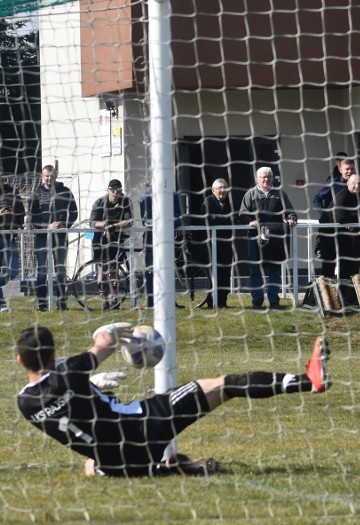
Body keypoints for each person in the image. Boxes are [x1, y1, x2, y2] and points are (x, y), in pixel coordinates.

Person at [15, 323, 330, 477]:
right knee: (221, 386)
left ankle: (171, 468)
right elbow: (104, 344)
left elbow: (64, 400)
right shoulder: (69, 370)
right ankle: (308, 381)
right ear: (53, 354)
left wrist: (89, 387)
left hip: (113, 463)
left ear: (19, 360)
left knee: (90, 463)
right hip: (144, 424)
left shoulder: (24, 403)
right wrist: (110, 330)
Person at [313, 157, 360, 279]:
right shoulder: (336, 186)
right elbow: (339, 215)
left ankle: (347, 295)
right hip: (330, 231)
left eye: (352, 169)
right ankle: (327, 295)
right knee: (329, 267)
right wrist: (324, 213)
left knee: (350, 266)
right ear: (340, 170)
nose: (357, 186)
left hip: (350, 235)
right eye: (347, 169)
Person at [239, 166, 297, 310]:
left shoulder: (280, 194)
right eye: (263, 177)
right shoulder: (250, 194)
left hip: (275, 238)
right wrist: (249, 221)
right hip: (255, 237)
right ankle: (257, 301)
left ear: (273, 178)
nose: (266, 179)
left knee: (275, 270)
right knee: (255, 269)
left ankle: (274, 301)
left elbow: (290, 211)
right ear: (257, 179)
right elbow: (242, 215)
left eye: (268, 177)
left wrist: (291, 218)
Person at [27, 165, 78, 311]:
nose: (49, 178)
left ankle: (62, 303)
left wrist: (64, 224)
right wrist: (46, 226)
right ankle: (42, 303)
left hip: (60, 237)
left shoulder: (65, 191)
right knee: (42, 270)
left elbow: (74, 212)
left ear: (55, 176)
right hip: (42, 237)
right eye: (46, 176)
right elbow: (31, 217)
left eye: (51, 176)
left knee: (60, 270)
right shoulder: (36, 193)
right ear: (42, 177)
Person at [89, 179, 133, 310]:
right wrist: (105, 225)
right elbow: (92, 222)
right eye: (112, 190)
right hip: (99, 239)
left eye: (118, 191)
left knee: (114, 268)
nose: (115, 193)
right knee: (102, 268)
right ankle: (104, 300)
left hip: (116, 239)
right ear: (108, 190)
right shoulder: (99, 202)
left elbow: (129, 221)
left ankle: (114, 300)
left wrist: (113, 226)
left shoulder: (126, 201)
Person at [199, 179, 236, 307]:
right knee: (213, 274)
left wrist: (221, 219)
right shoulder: (208, 201)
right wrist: (225, 219)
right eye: (219, 188)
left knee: (225, 273)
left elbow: (234, 218)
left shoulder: (230, 202)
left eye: (225, 188)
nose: (222, 191)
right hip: (211, 245)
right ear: (213, 190)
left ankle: (222, 302)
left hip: (226, 244)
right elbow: (208, 218)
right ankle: (211, 302)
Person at [332, 173, 360, 279]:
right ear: (348, 183)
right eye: (354, 183)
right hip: (340, 237)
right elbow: (341, 218)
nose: (357, 186)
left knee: (355, 267)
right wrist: (359, 219)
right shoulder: (342, 195)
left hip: (356, 236)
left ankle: (353, 294)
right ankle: (341, 293)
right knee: (343, 267)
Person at [0, 171, 25, 312]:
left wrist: (22, 222)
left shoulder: (12, 191)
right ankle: (1, 305)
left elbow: (21, 210)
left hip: (10, 236)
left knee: (14, 269)